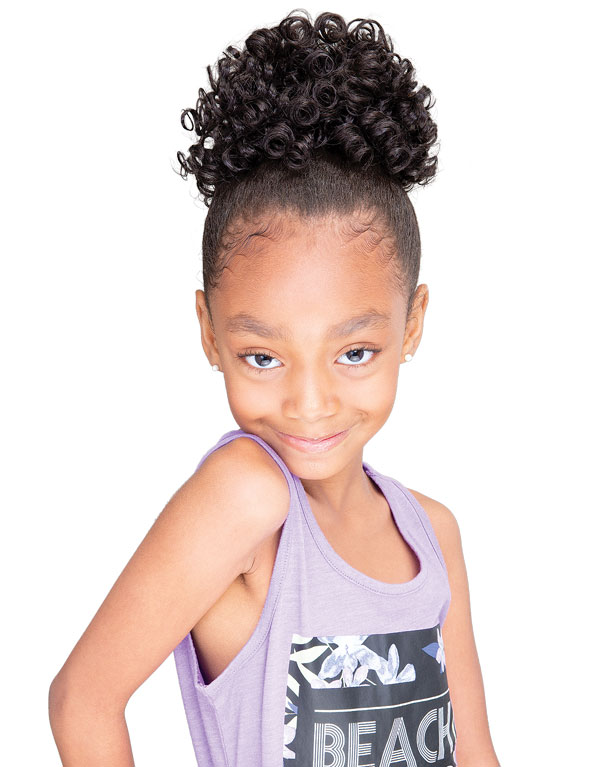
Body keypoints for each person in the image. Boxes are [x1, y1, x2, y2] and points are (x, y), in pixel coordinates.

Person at [48, 10, 501, 767]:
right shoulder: (250, 498)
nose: (310, 403)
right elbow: (82, 700)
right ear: (209, 331)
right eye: (263, 357)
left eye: (354, 351)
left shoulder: (433, 532)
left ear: (413, 323)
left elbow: (475, 751)